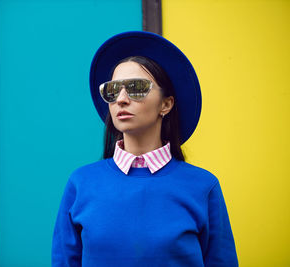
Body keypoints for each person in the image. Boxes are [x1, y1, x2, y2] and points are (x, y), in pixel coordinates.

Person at [52, 31, 238, 267]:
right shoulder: (80, 183)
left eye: (136, 87)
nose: (121, 99)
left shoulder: (203, 186)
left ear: (166, 104)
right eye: (112, 90)